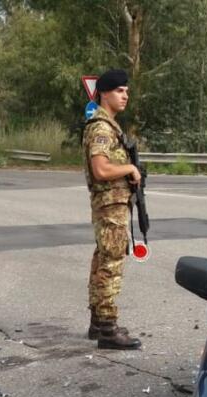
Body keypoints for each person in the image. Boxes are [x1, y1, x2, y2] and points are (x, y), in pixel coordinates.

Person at [82, 68, 141, 350]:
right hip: (110, 207)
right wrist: (130, 167)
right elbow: (101, 168)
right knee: (111, 264)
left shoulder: (107, 126)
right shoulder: (102, 128)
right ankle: (108, 328)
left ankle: (98, 323)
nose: (125, 95)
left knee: (102, 261)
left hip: (112, 206)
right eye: (120, 91)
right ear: (104, 93)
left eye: (127, 91)